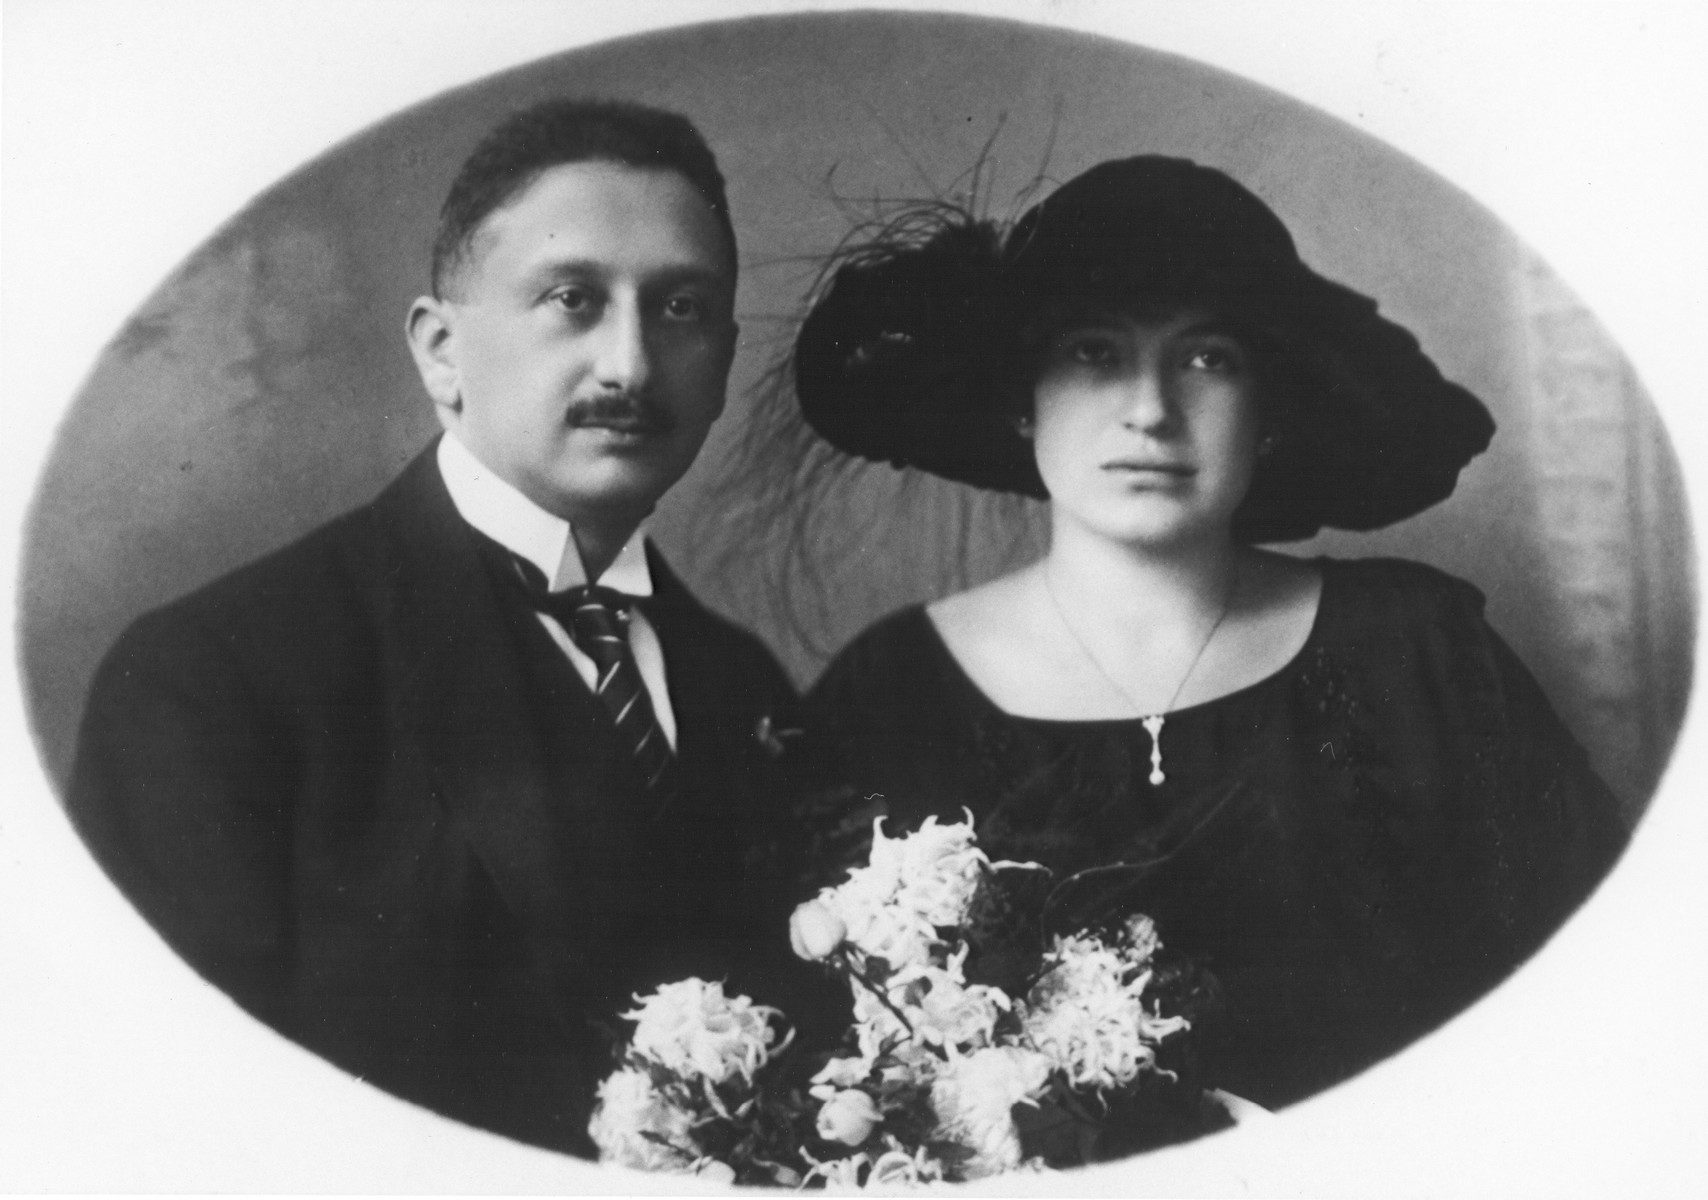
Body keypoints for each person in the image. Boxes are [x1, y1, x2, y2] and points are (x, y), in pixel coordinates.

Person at [788, 157, 1629, 1119]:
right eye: (1094, 352)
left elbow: (1591, 995)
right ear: (1025, 400)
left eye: (1206, 358)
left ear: (1268, 412)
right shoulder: (895, 691)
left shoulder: (1416, 651)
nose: (1149, 409)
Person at [66, 99, 803, 1158]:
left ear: (725, 360)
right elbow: (164, 1124)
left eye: (680, 308)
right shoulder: (213, 680)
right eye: (571, 299)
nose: (631, 366)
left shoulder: (743, 686)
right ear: (441, 350)